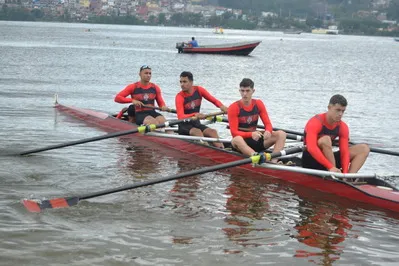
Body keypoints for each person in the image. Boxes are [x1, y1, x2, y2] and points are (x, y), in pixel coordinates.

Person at [302, 94, 370, 173]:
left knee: (364, 148)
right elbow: (312, 148)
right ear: (329, 108)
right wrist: (331, 167)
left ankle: (348, 177)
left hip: (328, 160)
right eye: (338, 110)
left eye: (343, 111)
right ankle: (334, 172)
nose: (340, 114)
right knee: (325, 140)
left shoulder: (343, 127)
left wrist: (344, 172)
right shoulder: (315, 122)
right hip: (310, 160)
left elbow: (344, 152)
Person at [227, 78, 287, 163]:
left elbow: (268, 124)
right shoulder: (234, 107)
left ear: (253, 91)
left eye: (248, 91)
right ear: (239, 91)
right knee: (237, 139)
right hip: (241, 144)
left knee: (281, 134)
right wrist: (251, 134)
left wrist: (268, 131)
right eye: (242, 91)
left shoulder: (258, 104)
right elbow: (234, 133)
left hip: (256, 140)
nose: (244, 94)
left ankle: (274, 162)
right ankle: (257, 158)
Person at [175, 71, 228, 148]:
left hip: (196, 123)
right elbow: (180, 116)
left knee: (213, 132)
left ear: (191, 82)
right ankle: (208, 149)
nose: (182, 84)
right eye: (181, 82)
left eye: (184, 82)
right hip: (184, 125)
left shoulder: (199, 90)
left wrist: (222, 106)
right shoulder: (179, 96)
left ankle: (223, 150)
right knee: (198, 132)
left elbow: (214, 100)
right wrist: (194, 115)